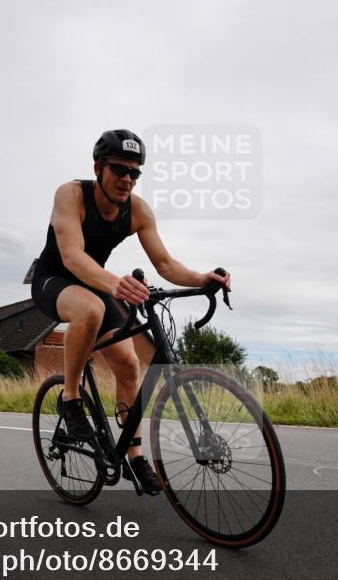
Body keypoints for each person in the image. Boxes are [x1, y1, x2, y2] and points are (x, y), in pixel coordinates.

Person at [30, 129, 231, 494]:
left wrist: (201, 278)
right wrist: (114, 285)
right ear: (98, 168)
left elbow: (166, 264)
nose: (127, 179)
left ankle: (135, 454)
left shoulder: (137, 210)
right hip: (53, 280)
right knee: (90, 309)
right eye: (119, 170)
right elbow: (73, 256)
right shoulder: (71, 195)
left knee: (128, 364)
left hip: (96, 284)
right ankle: (70, 397)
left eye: (134, 173)